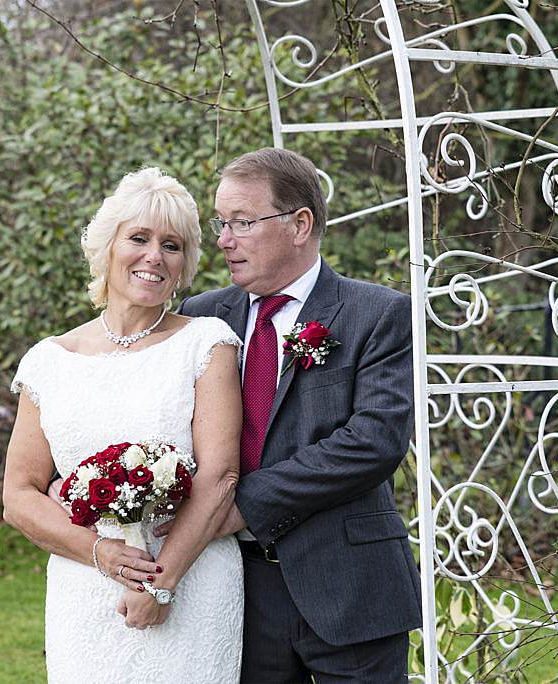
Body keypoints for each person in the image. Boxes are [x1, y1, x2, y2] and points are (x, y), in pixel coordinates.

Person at [172, 147, 423, 682]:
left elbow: (373, 441)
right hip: (235, 591)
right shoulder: (200, 318)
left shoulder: (377, 314)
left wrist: (245, 504)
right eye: (221, 223)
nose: (223, 239)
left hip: (351, 585)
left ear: (299, 224)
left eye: (242, 222)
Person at [2, 167, 245, 683]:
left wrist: (160, 584)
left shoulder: (207, 343)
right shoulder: (49, 360)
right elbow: (19, 495)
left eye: (172, 245)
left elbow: (221, 475)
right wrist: (102, 553)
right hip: (84, 588)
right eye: (139, 238)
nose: (154, 256)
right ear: (107, 247)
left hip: (190, 581)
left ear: (184, 265)